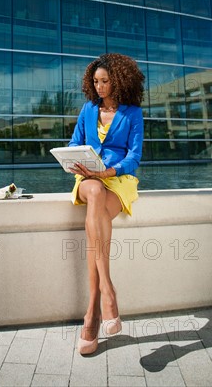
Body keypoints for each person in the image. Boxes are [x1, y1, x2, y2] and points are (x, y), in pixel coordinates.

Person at [68, 53, 145, 355]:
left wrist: (108, 171)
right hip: (88, 179)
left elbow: (134, 158)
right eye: (95, 81)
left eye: (105, 81)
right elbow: (75, 142)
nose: (99, 87)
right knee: (95, 194)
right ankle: (107, 290)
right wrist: (77, 160)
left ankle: (92, 314)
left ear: (119, 81)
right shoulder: (87, 110)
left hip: (117, 180)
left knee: (97, 214)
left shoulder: (133, 113)